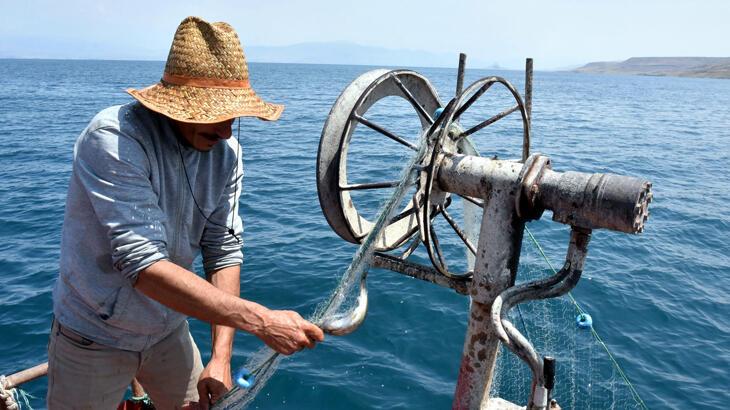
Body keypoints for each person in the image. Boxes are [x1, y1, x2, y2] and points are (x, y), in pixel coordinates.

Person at [48, 16, 324, 409]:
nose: (227, 132)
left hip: (167, 330)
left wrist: (221, 358)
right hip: (94, 336)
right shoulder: (113, 139)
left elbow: (222, 249)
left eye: (233, 116)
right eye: (216, 114)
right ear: (175, 106)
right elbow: (143, 266)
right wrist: (262, 321)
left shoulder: (226, 155)